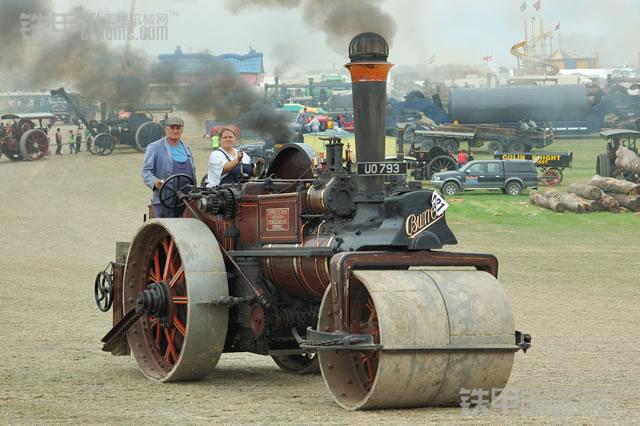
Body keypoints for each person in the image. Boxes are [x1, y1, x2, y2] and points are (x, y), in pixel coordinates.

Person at [141, 116, 196, 218]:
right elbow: (146, 172)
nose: (175, 131)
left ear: (182, 130)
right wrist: (155, 182)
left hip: (186, 199)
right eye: (172, 127)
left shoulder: (186, 148)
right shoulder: (154, 147)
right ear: (165, 129)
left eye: (178, 128)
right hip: (165, 200)